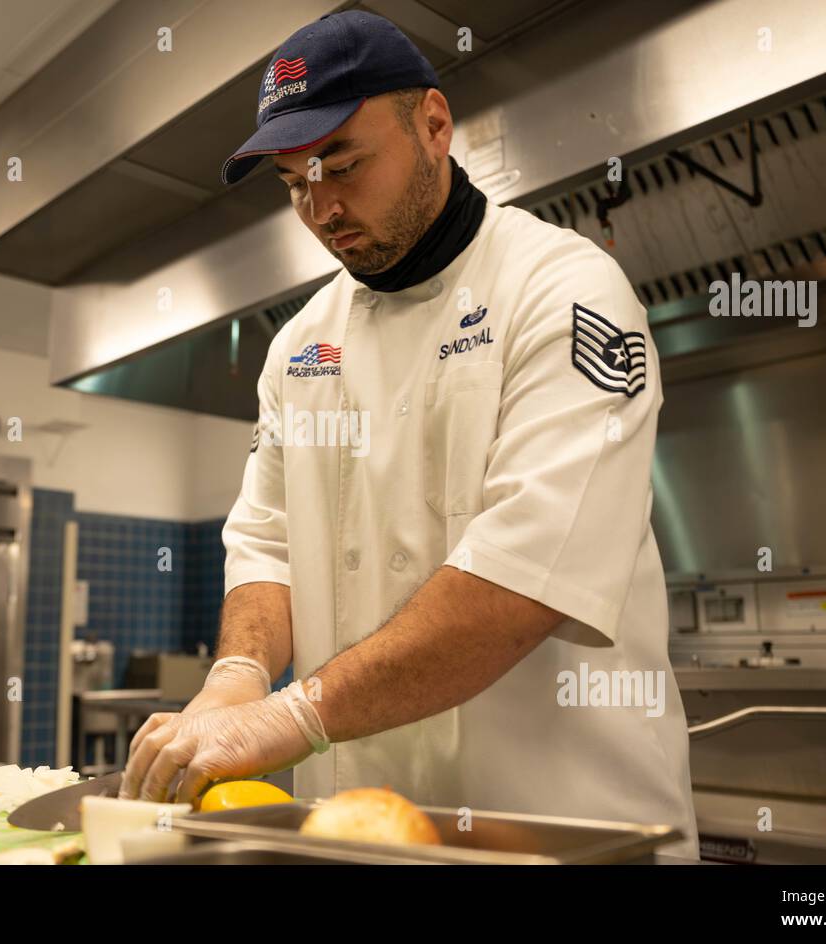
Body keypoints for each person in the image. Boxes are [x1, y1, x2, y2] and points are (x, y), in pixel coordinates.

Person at [119, 9, 699, 860]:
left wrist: (295, 713)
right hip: (361, 832)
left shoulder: (565, 290)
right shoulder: (300, 344)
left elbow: (523, 577)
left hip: (564, 831)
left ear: (433, 124)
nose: (319, 207)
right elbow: (268, 546)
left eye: (342, 165)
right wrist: (237, 677)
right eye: (292, 183)